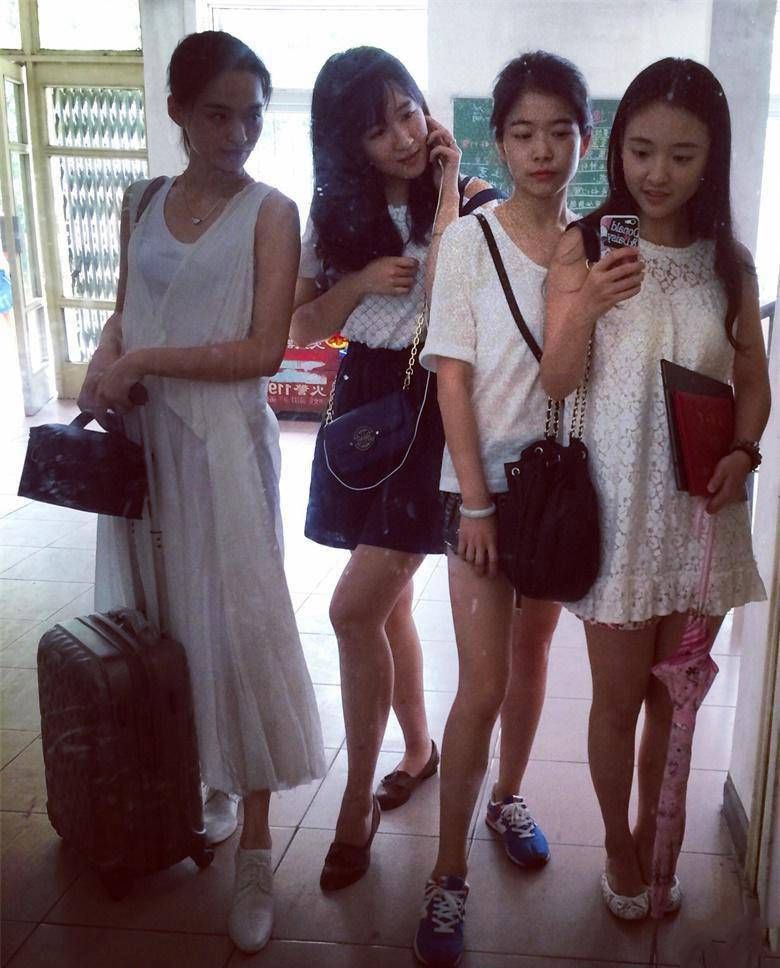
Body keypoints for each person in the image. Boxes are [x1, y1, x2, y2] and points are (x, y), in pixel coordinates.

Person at [79, 30, 326, 953]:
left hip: (223, 449)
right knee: (166, 623)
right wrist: (105, 361)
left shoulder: (271, 212)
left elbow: (264, 351)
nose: (238, 133)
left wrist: (142, 359)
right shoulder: (141, 200)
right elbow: (123, 310)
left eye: (252, 115)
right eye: (217, 115)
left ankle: (257, 848)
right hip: (145, 444)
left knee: (240, 632)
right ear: (178, 111)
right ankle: (200, 783)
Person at [541, 58, 769, 920]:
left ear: (714, 157)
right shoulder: (585, 245)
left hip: (702, 514)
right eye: (641, 151)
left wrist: (745, 450)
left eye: (682, 154)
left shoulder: (730, 263)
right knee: (617, 700)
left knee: (674, 702)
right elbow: (556, 382)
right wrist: (588, 305)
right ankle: (616, 844)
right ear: (617, 149)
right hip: (619, 515)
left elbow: (754, 380)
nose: (658, 173)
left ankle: (655, 829)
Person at [290, 46, 503, 892]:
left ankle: (356, 803)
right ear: (349, 144)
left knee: (352, 611)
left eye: (409, 112)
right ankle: (417, 749)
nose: (405, 136)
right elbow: (300, 327)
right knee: (391, 605)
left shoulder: (473, 199)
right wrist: (360, 285)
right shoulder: (335, 216)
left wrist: (447, 189)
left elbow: (457, 302)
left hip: (434, 408)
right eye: (379, 130)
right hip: (365, 404)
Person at [411, 51, 593, 967]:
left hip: (556, 495)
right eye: (524, 133)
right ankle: (447, 876)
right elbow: (451, 378)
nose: (543, 150)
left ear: (585, 139)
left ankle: (507, 799)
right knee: (481, 685)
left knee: (532, 660)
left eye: (560, 132)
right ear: (500, 141)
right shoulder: (469, 244)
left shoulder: (592, 245)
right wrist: (475, 504)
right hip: (480, 497)